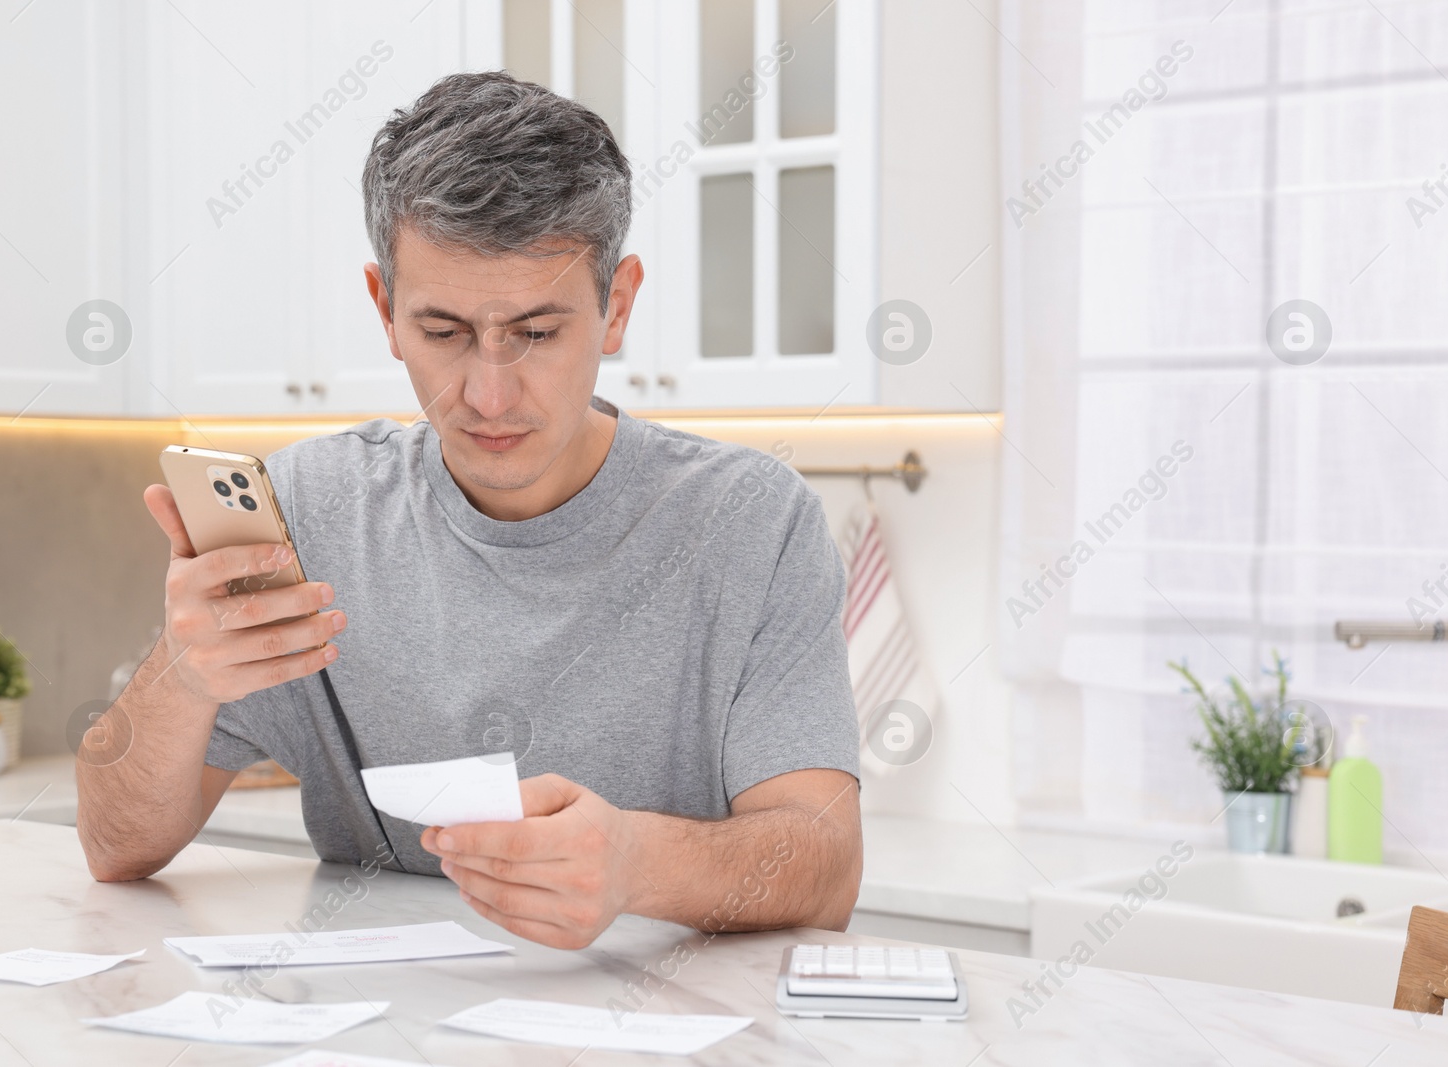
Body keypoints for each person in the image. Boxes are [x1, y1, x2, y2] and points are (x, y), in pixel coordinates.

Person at [76, 71, 862, 950]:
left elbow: (825, 862)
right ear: (384, 308)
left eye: (536, 332)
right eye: (444, 332)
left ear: (618, 305)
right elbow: (116, 847)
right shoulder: (305, 514)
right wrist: (183, 674)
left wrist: (637, 861)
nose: (488, 394)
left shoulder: (753, 523)